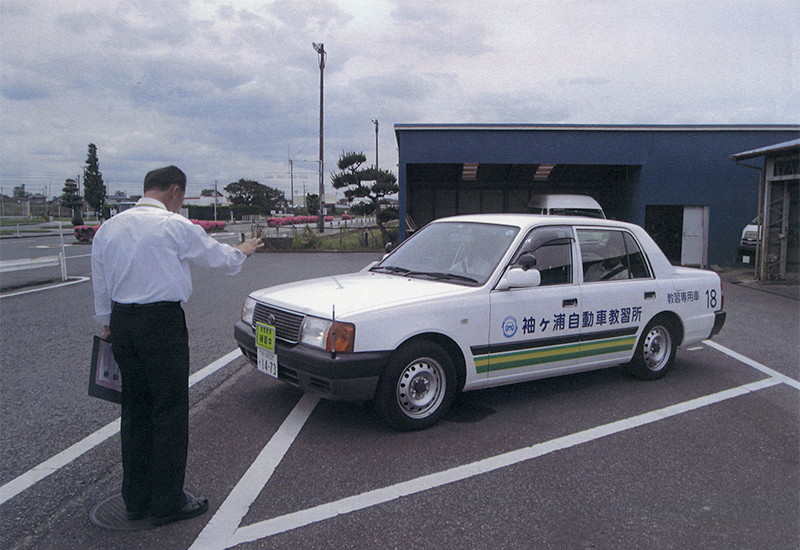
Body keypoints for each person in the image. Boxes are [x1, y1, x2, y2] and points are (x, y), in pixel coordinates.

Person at [91, 165, 263, 526]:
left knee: (135, 410)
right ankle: (166, 502)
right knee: (168, 412)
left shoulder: (109, 228)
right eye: (181, 197)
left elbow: (101, 280)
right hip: (161, 324)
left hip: (122, 323)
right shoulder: (173, 225)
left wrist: (107, 324)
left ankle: (135, 500)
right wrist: (243, 250)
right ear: (174, 191)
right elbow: (217, 257)